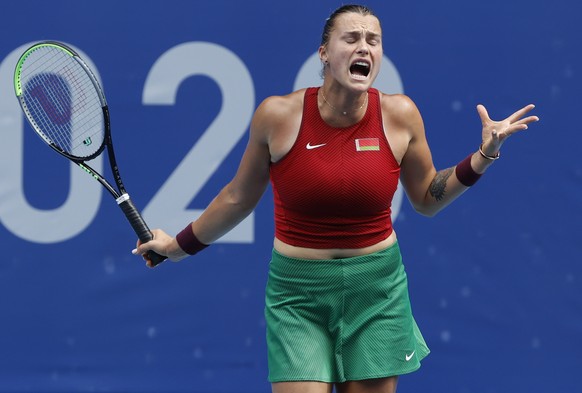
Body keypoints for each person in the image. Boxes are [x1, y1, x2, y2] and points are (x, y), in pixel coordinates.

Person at [133, 4, 539, 393]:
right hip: (298, 294)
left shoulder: (401, 115)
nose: (365, 47)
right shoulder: (278, 116)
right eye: (352, 38)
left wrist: (483, 157)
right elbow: (238, 198)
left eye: (374, 40)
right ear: (324, 53)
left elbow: (427, 198)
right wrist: (177, 247)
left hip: (377, 291)